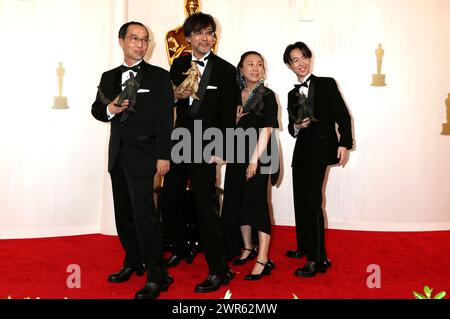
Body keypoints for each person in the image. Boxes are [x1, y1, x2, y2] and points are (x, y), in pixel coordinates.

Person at [91, 21, 174, 299]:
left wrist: (164, 155)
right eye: (134, 38)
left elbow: (165, 120)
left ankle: (156, 274)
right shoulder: (108, 76)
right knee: (124, 214)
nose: (140, 44)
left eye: (144, 40)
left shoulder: (159, 77)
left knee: (144, 216)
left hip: (146, 156)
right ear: (121, 41)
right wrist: (110, 109)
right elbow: (97, 109)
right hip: (118, 155)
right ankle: (132, 261)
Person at [162, 12, 237, 293]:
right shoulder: (178, 64)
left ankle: (219, 269)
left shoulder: (226, 70)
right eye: (200, 33)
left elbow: (229, 115)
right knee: (170, 198)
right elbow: (166, 101)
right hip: (179, 141)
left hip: (207, 145)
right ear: (189, 37)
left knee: (206, 205)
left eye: (210, 33)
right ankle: (181, 248)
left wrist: (223, 150)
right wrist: (174, 96)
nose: (206, 38)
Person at [283, 42, 353, 277]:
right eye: (295, 59)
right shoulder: (292, 93)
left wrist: (345, 143)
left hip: (321, 150)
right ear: (289, 65)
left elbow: (343, 115)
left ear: (309, 59)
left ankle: (317, 258)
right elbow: (293, 129)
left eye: (304, 57)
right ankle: (304, 246)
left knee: (312, 201)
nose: (301, 63)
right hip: (301, 152)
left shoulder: (326, 83)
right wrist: (296, 125)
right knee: (300, 200)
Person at [222, 51, 279, 280]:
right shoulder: (235, 95)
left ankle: (263, 258)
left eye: (259, 64)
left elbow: (266, 129)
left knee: (257, 204)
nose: (255, 68)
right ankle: (247, 247)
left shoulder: (267, 95)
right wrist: (234, 120)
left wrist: (254, 160)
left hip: (260, 155)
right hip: (236, 155)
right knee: (238, 200)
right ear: (241, 69)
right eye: (250, 64)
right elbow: (227, 127)